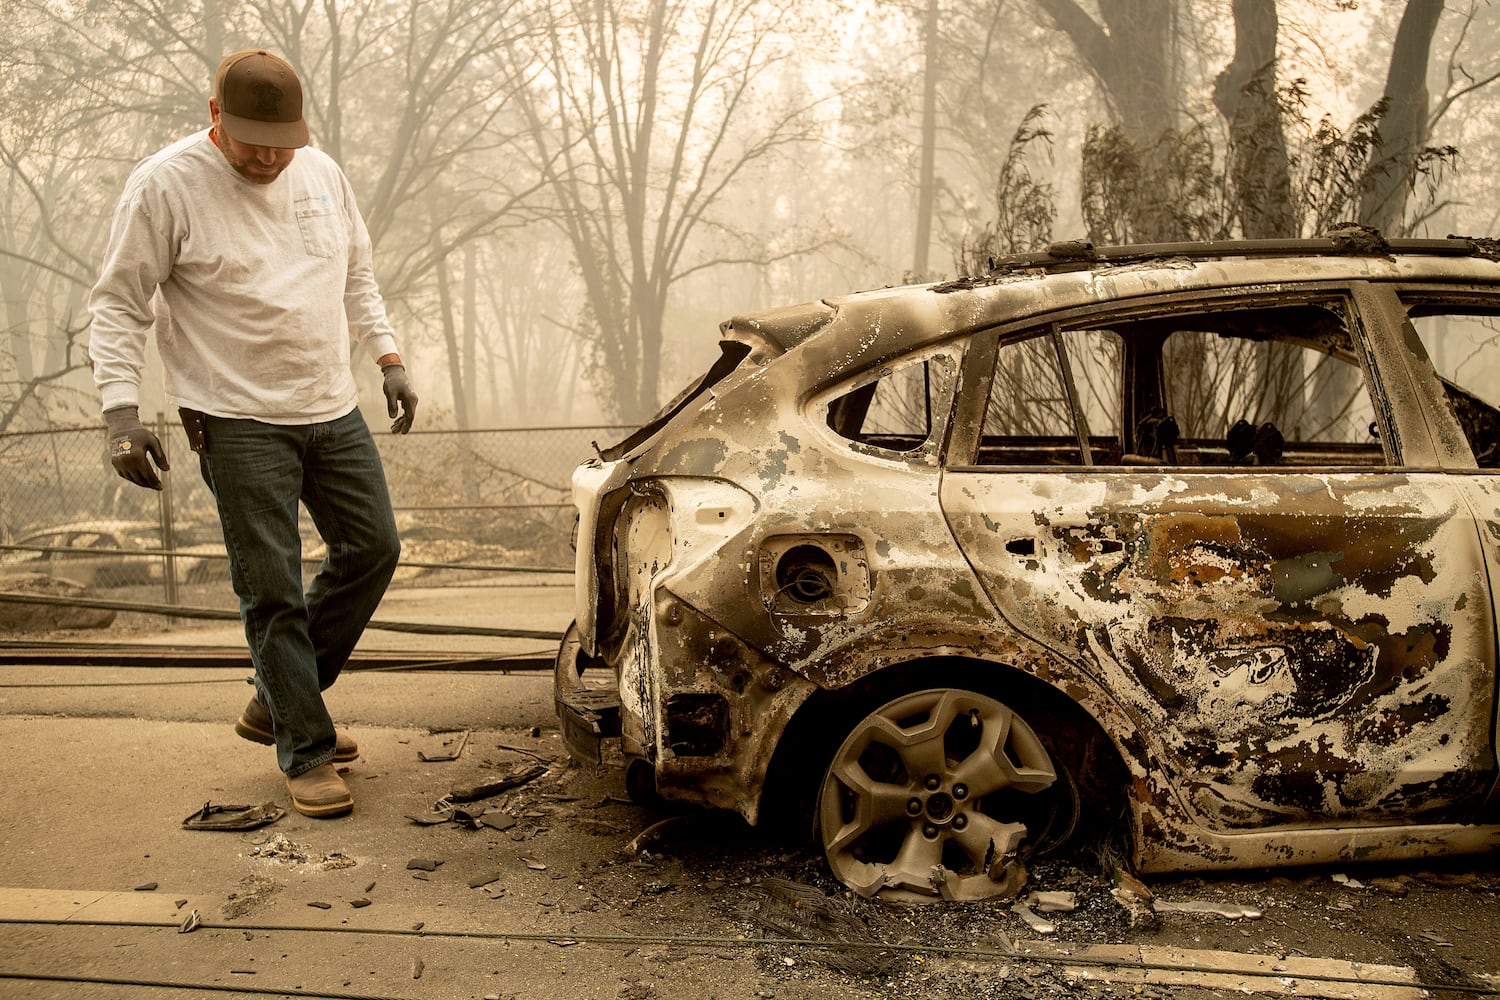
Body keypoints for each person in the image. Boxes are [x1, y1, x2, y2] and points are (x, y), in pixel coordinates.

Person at [87, 49, 417, 819]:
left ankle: (276, 698)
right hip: (233, 416)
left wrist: (388, 356)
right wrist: (120, 412)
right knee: (269, 586)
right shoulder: (165, 186)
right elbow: (120, 303)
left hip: (329, 404)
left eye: (284, 141)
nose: (270, 157)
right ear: (214, 117)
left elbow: (356, 274)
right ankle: (304, 748)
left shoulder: (321, 173)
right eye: (252, 142)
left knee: (374, 548)